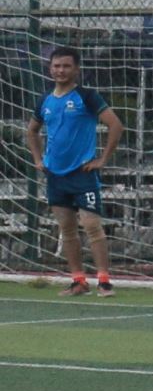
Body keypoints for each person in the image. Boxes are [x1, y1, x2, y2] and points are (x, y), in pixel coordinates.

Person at [31, 45, 121, 297]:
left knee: (92, 225)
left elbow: (115, 125)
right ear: (50, 69)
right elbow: (31, 131)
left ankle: (104, 281)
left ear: (77, 69)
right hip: (55, 175)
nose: (61, 70)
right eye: (56, 66)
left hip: (82, 173)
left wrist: (103, 159)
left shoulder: (87, 96)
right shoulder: (45, 100)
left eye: (66, 66)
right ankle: (78, 280)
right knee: (67, 229)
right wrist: (38, 159)